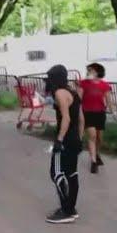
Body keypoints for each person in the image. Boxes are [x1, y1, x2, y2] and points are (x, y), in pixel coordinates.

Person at [45, 65, 83, 224]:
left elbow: (66, 119)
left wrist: (59, 140)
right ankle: (71, 208)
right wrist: (80, 139)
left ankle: (66, 210)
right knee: (72, 173)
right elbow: (81, 118)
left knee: (56, 173)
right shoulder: (73, 92)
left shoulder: (60, 93)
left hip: (65, 139)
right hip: (74, 138)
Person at [78, 63, 115, 174]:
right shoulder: (83, 83)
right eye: (88, 70)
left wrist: (113, 112)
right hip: (87, 113)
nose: (88, 72)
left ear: (98, 72)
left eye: (91, 70)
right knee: (92, 136)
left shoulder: (105, 85)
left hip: (100, 113)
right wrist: (78, 112)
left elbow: (108, 100)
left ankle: (96, 153)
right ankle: (93, 162)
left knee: (99, 138)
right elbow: (79, 99)